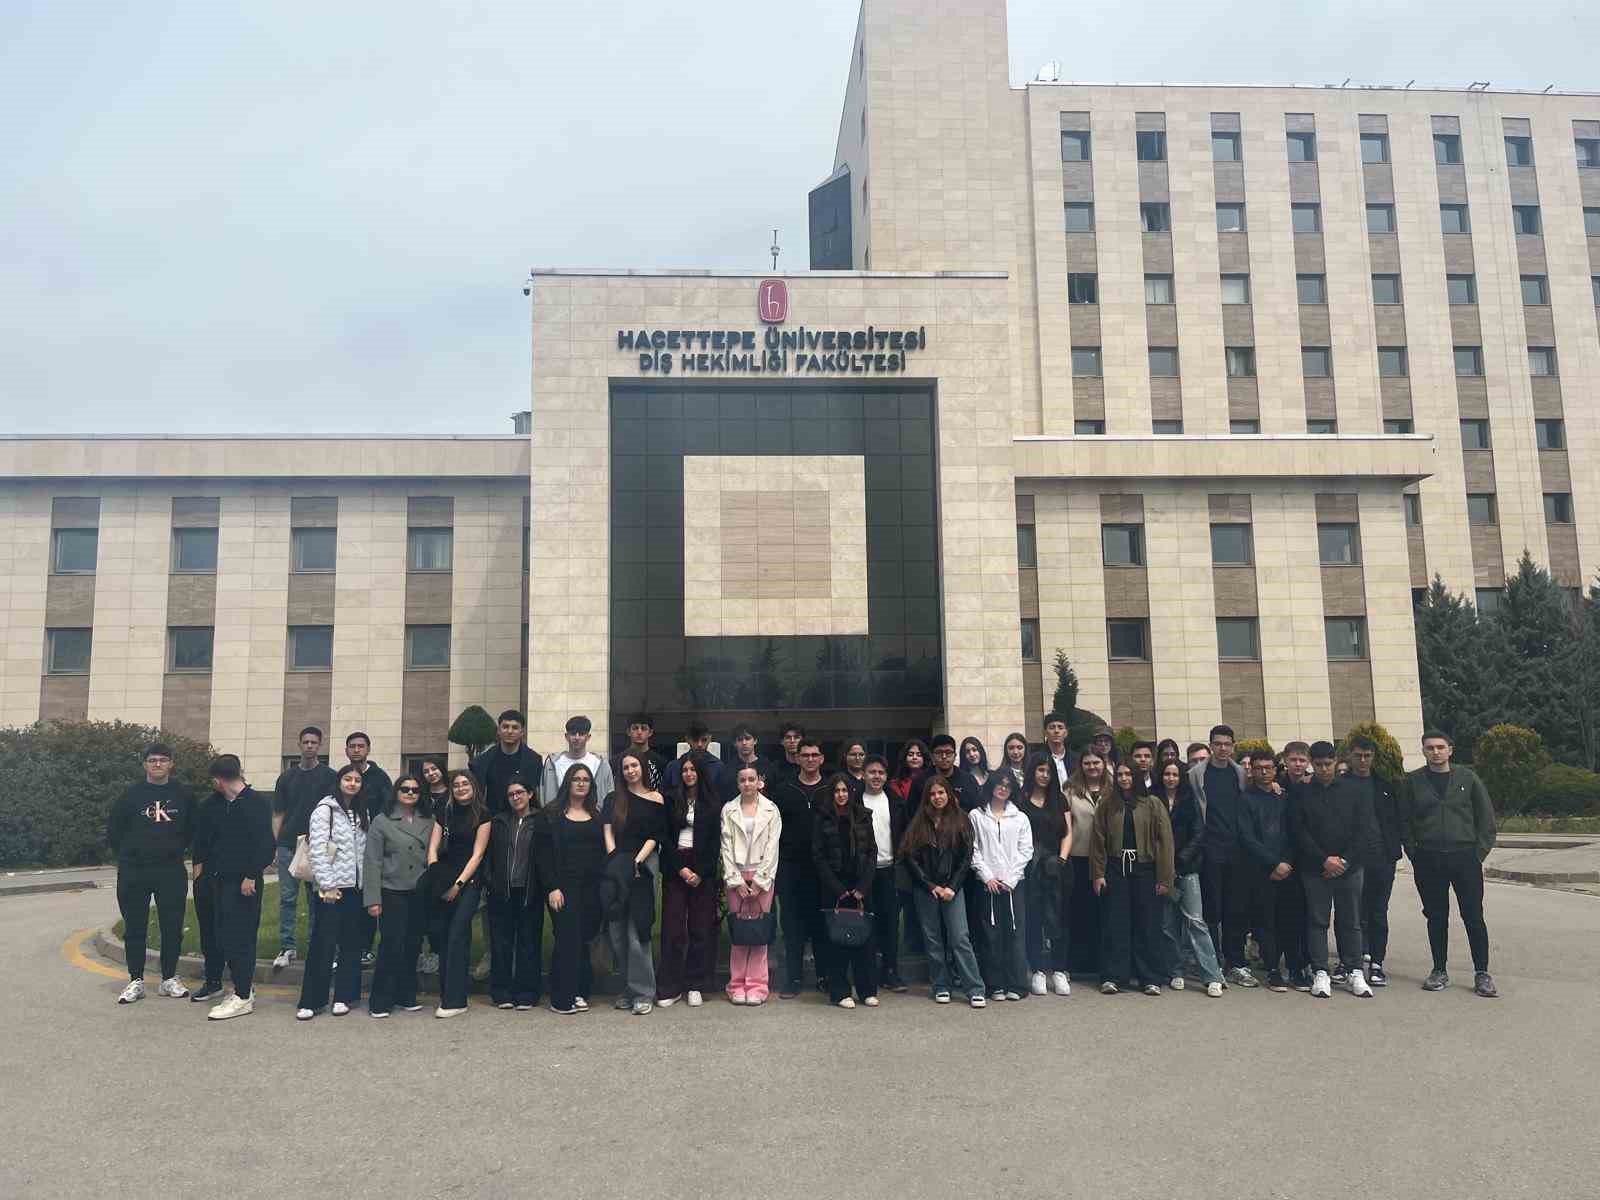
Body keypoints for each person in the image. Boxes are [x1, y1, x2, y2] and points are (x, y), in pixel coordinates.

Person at [1402, 731, 1498, 997]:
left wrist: (1477, 854)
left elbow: (1487, 820)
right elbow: (1404, 821)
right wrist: (1415, 854)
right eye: (1430, 747)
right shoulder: (1414, 782)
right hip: (1429, 858)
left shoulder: (1467, 778)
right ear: (1423, 751)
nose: (1435, 752)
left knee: (1473, 916)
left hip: (1464, 857)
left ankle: (1482, 973)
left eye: (1440, 747)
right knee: (1436, 917)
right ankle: (1439, 970)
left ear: (1450, 750)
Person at [109, 742, 196, 1003]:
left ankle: (169, 978)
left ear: (171, 764)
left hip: (170, 870)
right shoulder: (130, 795)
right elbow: (115, 831)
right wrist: (128, 856)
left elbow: (193, 829)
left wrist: (178, 849)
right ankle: (135, 980)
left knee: (172, 926)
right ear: (145, 764)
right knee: (134, 926)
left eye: (162, 760)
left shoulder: (183, 795)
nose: (157, 764)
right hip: (134, 870)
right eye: (152, 760)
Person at [1294, 742, 1377, 999]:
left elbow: (1363, 830)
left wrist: (1343, 861)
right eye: (1317, 765)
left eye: (1327, 764)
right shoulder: (1301, 793)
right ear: (1311, 762)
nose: (1323, 769)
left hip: (1349, 868)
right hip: (1315, 868)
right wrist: (1324, 860)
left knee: (1350, 921)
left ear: (1335, 761)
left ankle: (1354, 970)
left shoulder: (1355, 790)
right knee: (1318, 921)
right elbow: (1299, 831)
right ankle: (1320, 970)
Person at [901, 774, 986, 1007]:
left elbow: (966, 858)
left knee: (960, 938)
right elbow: (909, 857)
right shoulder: (918, 822)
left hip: (952, 888)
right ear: (926, 798)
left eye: (941, 792)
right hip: (926, 889)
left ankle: (975, 988)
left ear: (949, 794)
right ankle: (941, 985)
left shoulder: (961, 820)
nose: (937, 797)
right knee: (933, 940)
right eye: (932, 794)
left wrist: (951, 887)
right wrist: (930, 886)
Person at [1091, 762, 1174, 995]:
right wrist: (1098, 874)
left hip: (1145, 868)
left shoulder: (1152, 804)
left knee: (1147, 923)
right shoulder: (1107, 805)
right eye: (1120, 774)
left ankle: (1149, 977)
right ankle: (1113, 976)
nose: (1124, 778)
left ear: (1136, 776)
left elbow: (1165, 842)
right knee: (1115, 923)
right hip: (1116, 868)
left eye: (1128, 774)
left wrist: (1164, 878)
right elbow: (1097, 840)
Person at [201, 755, 274, 1020]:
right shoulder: (223, 804)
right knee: (226, 937)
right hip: (222, 881)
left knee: (241, 938)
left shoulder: (255, 803)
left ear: (219, 780)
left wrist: (251, 876)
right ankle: (242, 987)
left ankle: (243, 997)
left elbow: (265, 845)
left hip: (244, 884)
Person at [296, 764, 369, 1020]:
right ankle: (312, 1001)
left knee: (351, 944)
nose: (352, 784)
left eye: (357, 780)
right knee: (322, 944)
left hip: (354, 888)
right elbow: (317, 850)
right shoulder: (325, 809)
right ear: (339, 782)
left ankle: (344, 996)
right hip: (331, 889)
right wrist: (327, 885)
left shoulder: (361, 811)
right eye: (347, 779)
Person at [535, 763, 606, 1014]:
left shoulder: (597, 816)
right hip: (562, 888)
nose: (581, 783)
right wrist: (552, 887)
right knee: (567, 938)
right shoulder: (551, 814)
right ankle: (560, 998)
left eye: (586, 779)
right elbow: (542, 856)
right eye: (576, 779)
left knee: (584, 938)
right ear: (568, 782)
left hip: (591, 888)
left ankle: (579, 991)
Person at [603, 751, 669, 1015]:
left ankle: (643, 993)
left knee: (637, 928)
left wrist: (637, 862)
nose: (630, 770)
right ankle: (628, 988)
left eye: (634, 766)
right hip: (616, 862)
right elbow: (607, 828)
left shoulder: (655, 798)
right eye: (625, 767)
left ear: (642, 768)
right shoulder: (613, 798)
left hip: (644, 864)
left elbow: (656, 835)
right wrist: (614, 859)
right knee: (617, 929)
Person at [364, 773, 434, 1017]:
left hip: (418, 892)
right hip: (392, 890)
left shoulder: (429, 819)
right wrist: (373, 899)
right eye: (405, 789)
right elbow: (372, 862)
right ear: (396, 792)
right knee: (391, 945)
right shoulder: (382, 821)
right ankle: (380, 1001)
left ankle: (406, 995)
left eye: (415, 790)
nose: (411, 793)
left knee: (412, 945)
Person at [1191, 724, 1256, 988]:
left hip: (1236, 850)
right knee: (1212, 910)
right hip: (1209, 849)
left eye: (1227, 744)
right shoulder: (1197, 774)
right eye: (1217, 744)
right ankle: (1213, 961)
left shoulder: (1240, 773)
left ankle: (1235, 962)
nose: (1222, 749)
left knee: (1235, 909)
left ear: (1233, 746)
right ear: (1210, 745)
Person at [658, 752, 722, 1008]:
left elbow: (716, 843)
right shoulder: (671, 800)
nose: (688, 774)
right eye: (684, 770)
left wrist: (702, 872)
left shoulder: (712, 802)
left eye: (693, 770)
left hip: (702, 869)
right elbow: (664, 837)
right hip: (676, 866)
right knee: (673, 928)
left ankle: (695, 984)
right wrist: (681, 870)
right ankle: (670, 986)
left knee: (700, 928)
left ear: (700, 773)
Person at [270, 726, 336, 971]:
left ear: (320, 746)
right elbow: (278, 813)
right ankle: (287, 947)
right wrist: (275, 846)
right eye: (305, 742)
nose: (309, 746)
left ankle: (317, 947)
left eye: (314, 742)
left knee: (315, 899)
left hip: (317, 846)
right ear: (299, 745)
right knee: (287, 898)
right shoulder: (286, 778)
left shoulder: (330, 776)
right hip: (288, 844)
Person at [426, 770, 490, 1018]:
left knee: (457, 935)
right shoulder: (445, 812)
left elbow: (478, 854)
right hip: (443, 879)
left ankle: (455, 1001)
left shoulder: (482, 815)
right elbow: (433, 847)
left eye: (465, 784)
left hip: (469, 882)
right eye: (457, 785)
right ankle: (450, 994)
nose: (461, 788)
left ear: (473, 786)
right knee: (444, 937)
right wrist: (436, 876)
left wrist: (458, 885)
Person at [1240, 752, 1306, 993]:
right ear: (1252, 771)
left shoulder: (1284, 797)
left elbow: (1293, 831)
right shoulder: (1245, 799)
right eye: (1258, 768)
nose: (1264, 772)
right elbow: (1247, 837)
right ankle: (1272, 969)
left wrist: (1286, 862)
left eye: (1268, 768)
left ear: (1275, 770)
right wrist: (1272, 864)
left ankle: (1296, 968)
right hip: (1261, 871)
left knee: (1291, 921)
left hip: (1289, 869)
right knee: (1266, 922)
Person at [1157, 761, 1224, 997]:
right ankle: (1175, 971)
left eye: (1175, 774)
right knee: (1168, 924)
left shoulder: (1190, 800)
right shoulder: (1154, 800)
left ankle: (1212, 975)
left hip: (1187, 868)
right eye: (1166, 774)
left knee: (1195, 920)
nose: (1170, 778)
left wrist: (1180, 862)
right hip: (1162, 870)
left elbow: (1198, 834)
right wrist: (1166, 865)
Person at [813, 772, 879, 1009]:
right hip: (834, 887)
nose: (841, 795)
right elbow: (818, 856)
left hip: (861, 885)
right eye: (836, 791)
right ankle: (840, 991)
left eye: (844, 791)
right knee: (837, 940)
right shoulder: (822, 817)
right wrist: (838, 889)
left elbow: (872, 852)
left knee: (865, 939)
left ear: (851, 793)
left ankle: (867, 990)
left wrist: (863, 887)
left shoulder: (863, 816)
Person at [721, 762, 782, 1005]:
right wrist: (736, 881)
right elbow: (725, 847)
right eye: (742, 780)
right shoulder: (729, 809)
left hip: (761, 877)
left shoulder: (771, 810)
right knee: (739, 932)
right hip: (736, 877)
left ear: (759, 781)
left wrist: (760, 882)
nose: (747, 784)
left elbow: (772, 847)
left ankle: (757, 986)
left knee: (758, 932)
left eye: (751, 779)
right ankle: (736, 985)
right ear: (738, 783)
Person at [772, 740, 829, 997]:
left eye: (814, 754)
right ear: (797, 759)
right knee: (792, 927)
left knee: (820, 925)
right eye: (804, 755)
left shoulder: (830, 789)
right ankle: (792, 980)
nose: (809, 759)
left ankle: (824, 976)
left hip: (823, 869)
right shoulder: (784, 790)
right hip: (790, 868)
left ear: (822, 759)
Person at [970, 771, 1032, 1001]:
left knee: (1015, 934)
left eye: (1007, 785)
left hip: (1013, 885)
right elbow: (973, 849)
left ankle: (1017, 985)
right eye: (999, 784)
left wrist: (1010, 879)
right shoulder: (976, 815)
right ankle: (994, 985)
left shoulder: (1020, 817)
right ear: (991, 786)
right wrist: (987, 877)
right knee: (990, 935)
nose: (1003, 788)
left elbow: (1026, 850)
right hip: (987, 884)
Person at [485, 775, 542, 1010]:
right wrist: (490, 882)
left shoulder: (541, 820)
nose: (515, 797)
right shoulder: (499, 822)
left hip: (530, 891)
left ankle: (527, 992)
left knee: (529, 942)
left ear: (530, 794)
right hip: (502, 891)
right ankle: (502, 992)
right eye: (511, 794)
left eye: (520, 792)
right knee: (501, 943)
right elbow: (487, 855)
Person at [1347, 734, 1401, 986]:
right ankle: (1351, 961)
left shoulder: (1386, 786)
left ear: (1373, 757)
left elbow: (1397, 821)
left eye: (1367, 756)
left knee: (1378, 911)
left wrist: (1394, 850)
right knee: (1351, 912)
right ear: (1350, 755)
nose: (1363, 760)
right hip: (1350, 859)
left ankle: (1377, 962)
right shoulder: (1340, 785)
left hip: (1381, 858)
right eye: (1358, 755)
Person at [1017, 754, 1072, 997]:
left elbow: (1068, 833)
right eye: (1040, 770)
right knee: (1034, 918)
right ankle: (1038, 970)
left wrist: (1061, 859)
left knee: (1057, 918)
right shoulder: (1021, 800)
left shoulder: (1059, 800)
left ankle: (1059, 970)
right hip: (1030, 867)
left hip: (1056, 867)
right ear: (1032, 772)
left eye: (1048, 771)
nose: (1044, 775)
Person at [859, 754, 908, 991]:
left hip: (890, 869)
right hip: (863, 873)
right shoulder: (855, 800)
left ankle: (891, 971)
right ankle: (868, 973)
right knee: (866, 923)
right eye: (872, 772)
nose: (876, 777)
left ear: (886, 776)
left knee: (890, 924)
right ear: (864, 774)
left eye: (880, 773)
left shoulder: (895, 801)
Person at [1064, 748, 1109, 978]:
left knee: (1103, 911)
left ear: (1104, 763)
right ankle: (1079, 963)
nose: (1092, 767)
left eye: (1096, 762)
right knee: (1079, 911)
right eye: (1087, 763)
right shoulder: (1069, 789)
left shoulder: (1114, 788)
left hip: (1106, 859)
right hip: (1079, 857)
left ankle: (1102, 961)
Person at [188, 781, 227, 1003]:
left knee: (233, 933)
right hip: (207, 877)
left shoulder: (250, 803)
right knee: (209, 931)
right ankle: (213, 981)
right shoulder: (207, 805)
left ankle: (243, 984)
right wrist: (198, 875)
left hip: (237, 878)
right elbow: (199, 843)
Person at [471, 709, 544, 817]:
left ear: (522, 732)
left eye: (515, 727)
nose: (510, 731)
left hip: (526, 821)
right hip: (493, 820)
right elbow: (478, 797)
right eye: (505, 727)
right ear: (498, 730)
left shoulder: (534, 760)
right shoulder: (483, 761)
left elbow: (537, 794)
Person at [539, 715, 615, 807]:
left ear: (588, 737)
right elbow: (543, 794)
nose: (577, 737)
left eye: (581, 734)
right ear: (566, 736)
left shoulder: (600, 764)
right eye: (573, 733)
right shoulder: (553, 764)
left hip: (593, 818)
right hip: (558, 817)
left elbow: (610, 795)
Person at [342, 731, 393, 826]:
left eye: (361, 746)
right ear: (346, 751)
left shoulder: (381, 778)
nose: (356, 750)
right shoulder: (341, 777)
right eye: (352, 746)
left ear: (368, 750)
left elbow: (388, 807)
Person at [664, 720, 723, 795]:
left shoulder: (718, 767)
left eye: (704, 740)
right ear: (687, 740)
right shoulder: (673, 767)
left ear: (709, 739)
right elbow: (665, 796)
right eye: (695, 740)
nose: (699, 744)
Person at [719, 724, 773, 803]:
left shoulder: (767, 767)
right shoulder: (727, 770)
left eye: (747, 739)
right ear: (735, 743)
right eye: (740, 740)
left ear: (755, 741)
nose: (744, 743)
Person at [617, 712, 667, 790]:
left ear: (650, 732)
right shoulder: (617, 760)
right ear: (628, 732)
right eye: (635, 728)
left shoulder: (661, 763)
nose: (639, 732)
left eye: (643, 728)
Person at [927, 734, 971, 811]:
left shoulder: (968, 780)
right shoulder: (921, 781)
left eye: (948, 752)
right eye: (939, 752)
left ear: (955, 756)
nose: (944, 756)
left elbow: (975, 811)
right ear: (932, 756)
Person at [889, 739, 929, 808]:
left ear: (924, 758)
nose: (914, 757)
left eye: (919, 755)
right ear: (904, 758)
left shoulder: (931, 779)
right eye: (910, 754)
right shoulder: (895, 783)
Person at [1041, 712, 1072, 791]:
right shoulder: (1037, 758)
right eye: (1052, 727)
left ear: (1066, 733)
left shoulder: (1075, 759)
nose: (1056, 731)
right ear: (1045, 733)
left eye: (1060, 727)